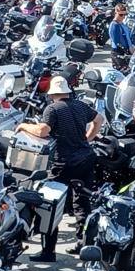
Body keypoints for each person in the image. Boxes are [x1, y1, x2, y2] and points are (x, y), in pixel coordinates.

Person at [17, 76, 106, 260]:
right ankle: (85, 246)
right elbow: (100, 119)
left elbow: (43, 130)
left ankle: (48, 251)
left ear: (52, 94)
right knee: (82, 204)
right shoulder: (81, 105)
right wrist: (87, 139)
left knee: (50, 205)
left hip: (62, 163)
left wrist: (24, 126)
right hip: (85, 159)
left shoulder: (52, 109)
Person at [108, 4, 135, 69]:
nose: (123, 17)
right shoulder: (115, 25)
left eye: (125, 15)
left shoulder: (123, 24)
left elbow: (128, 38)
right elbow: (117, 42)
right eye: (121, 15)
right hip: (119, 53)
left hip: (126, 52)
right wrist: (128, 50)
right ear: (115, 13)